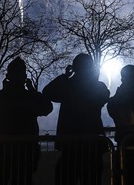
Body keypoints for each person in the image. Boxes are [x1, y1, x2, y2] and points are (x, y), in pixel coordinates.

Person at [0, 57, 54, 185]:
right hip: (26, 152)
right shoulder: (30, 98)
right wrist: (32, 91)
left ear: (8, 76)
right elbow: (47, 107)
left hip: (0, 152)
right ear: (24, 77)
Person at [42, 53, 110, 185]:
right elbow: (104, 96)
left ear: (75, 68)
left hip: (70, 145)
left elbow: (47, 92)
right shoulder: (98, 87)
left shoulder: (68, 86)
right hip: (92, 145)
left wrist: (65, 77)